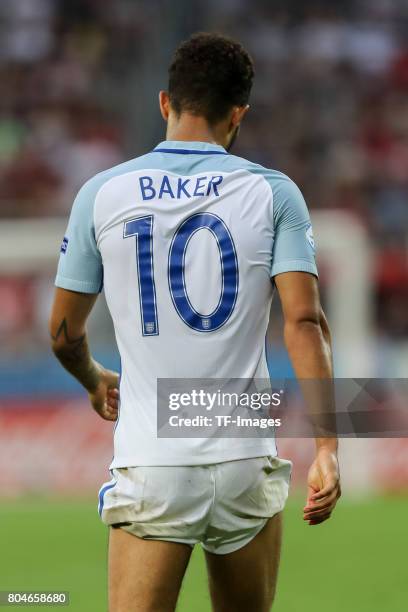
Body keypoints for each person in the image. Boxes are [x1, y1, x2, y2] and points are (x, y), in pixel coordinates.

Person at [49, 32, 341, 612]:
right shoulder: (274, 193)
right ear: (239, 114)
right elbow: (305, 323)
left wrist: (92, 378)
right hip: (243, 451)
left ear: (165, 103)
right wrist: (329, 446)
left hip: (155, 455)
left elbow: (63, 333)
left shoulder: (102, 194)